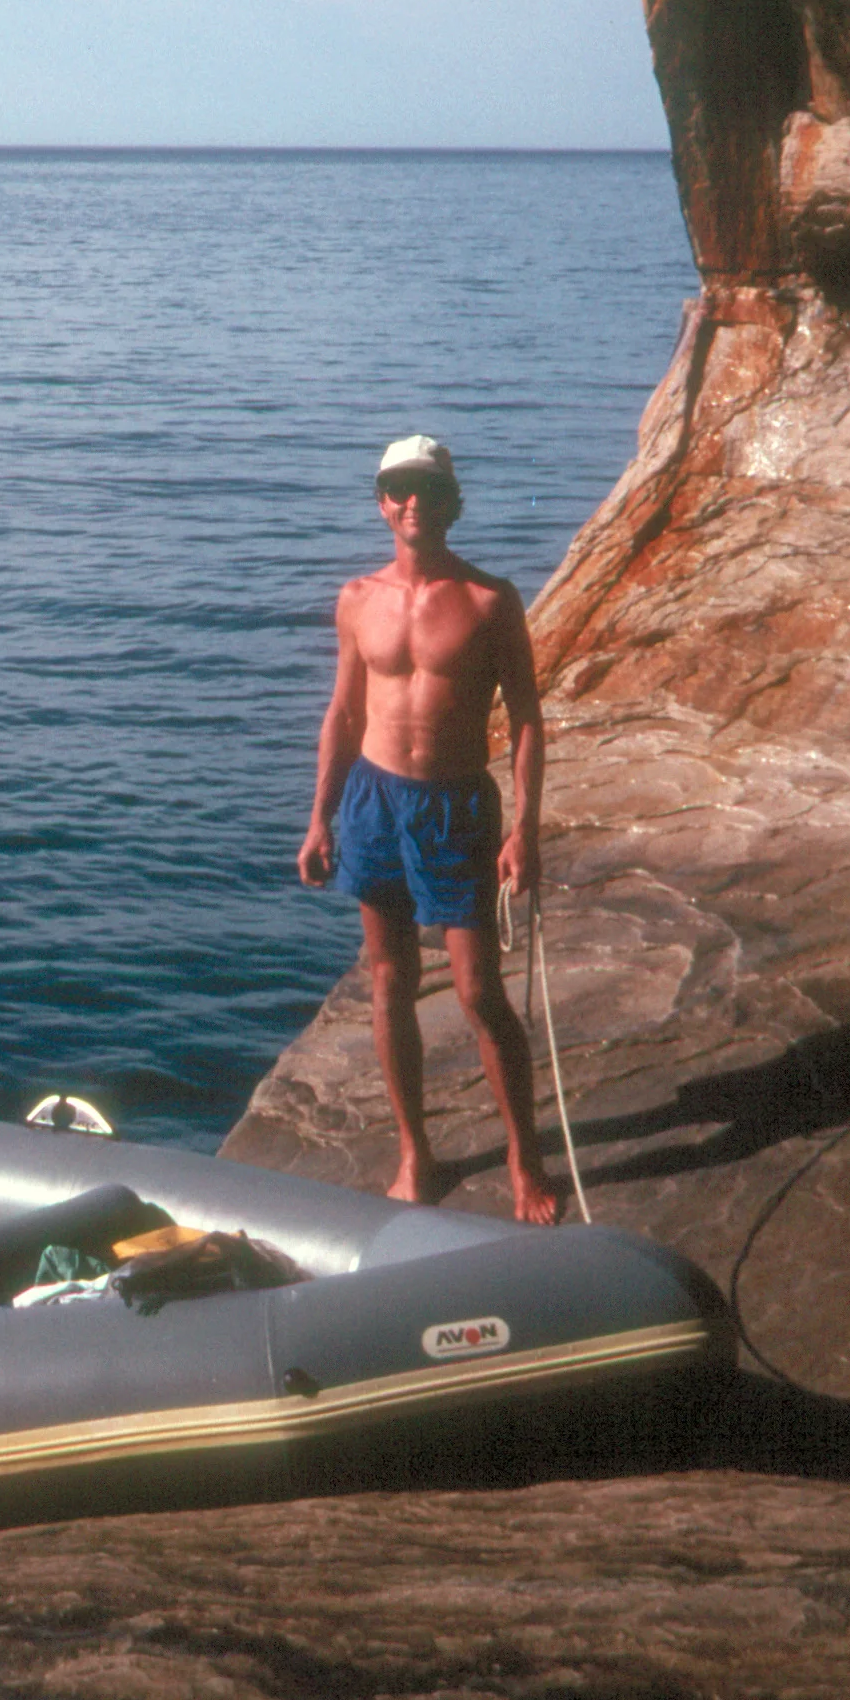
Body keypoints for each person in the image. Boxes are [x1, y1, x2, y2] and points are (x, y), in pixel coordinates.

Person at [297, 434, 561, 1226]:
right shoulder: (356, 598)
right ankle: (416, 1151)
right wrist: (319, 817)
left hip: (454, 807)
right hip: (374, 801)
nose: (413, 501)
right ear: (382, 501)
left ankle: (526, 1157)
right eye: (397, 487)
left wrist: (527, 828)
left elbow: (525, 718)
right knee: (389, 981)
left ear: (452, 503)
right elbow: (344, 714)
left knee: (480, 993)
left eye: (428, 488)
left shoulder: (489, 600)